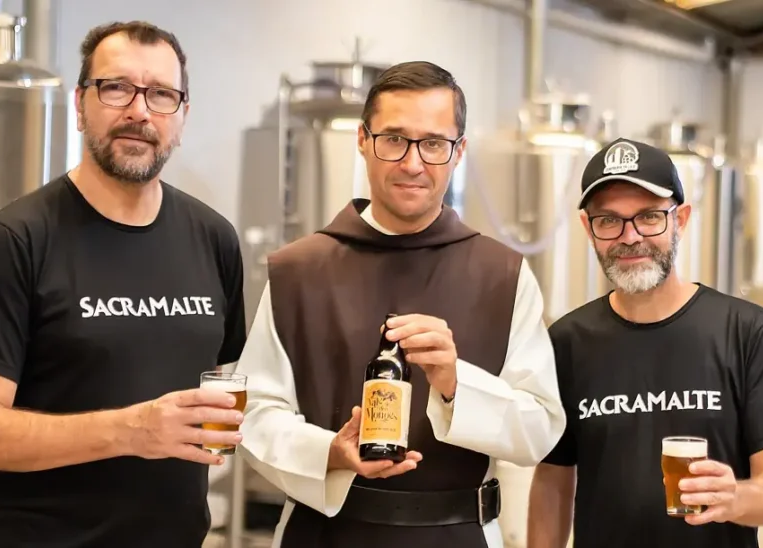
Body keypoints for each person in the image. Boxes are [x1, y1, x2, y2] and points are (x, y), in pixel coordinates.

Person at [232, 60, 566, 548]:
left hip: (459, 534)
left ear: (458, 152)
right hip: (325, 533)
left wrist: (455, 385)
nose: (413, 163)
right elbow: (254, 413)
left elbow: (540, 429)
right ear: (363, 140)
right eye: (394, 139)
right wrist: (330, 451)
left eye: (433, 144)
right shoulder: (298, 271)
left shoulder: (503, 275)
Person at [0, 21, 246, 548]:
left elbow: (228, 390)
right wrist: (133, 430)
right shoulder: (18, 239)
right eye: (116, 87)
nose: (140, 111)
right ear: (80, 104)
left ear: (182, 117)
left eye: (161, 94)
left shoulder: (214, 238)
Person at [526, 137, 763, 548]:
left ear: (680, 219)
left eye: (649, 217)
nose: (630, 237)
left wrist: (735, 497)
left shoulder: (747, 332)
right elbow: (553, 480)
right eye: (609, 220)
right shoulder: (567, 342)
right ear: (588, 229)